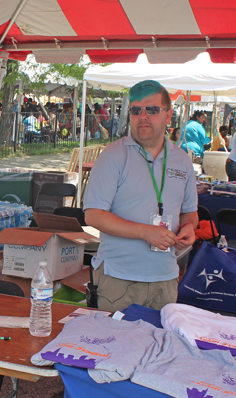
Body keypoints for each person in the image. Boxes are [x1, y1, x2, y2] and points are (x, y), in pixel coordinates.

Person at [84, 80, 198, 312]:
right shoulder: (113, 156)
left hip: (165, 278)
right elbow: (93, 216)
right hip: (118, 279)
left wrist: (189, 229)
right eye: (136, 110)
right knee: (111, 346)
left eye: (152, 109)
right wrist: (146, 232)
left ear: (168, 115)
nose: (142, 116)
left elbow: (190, 213)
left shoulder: (182, 159)